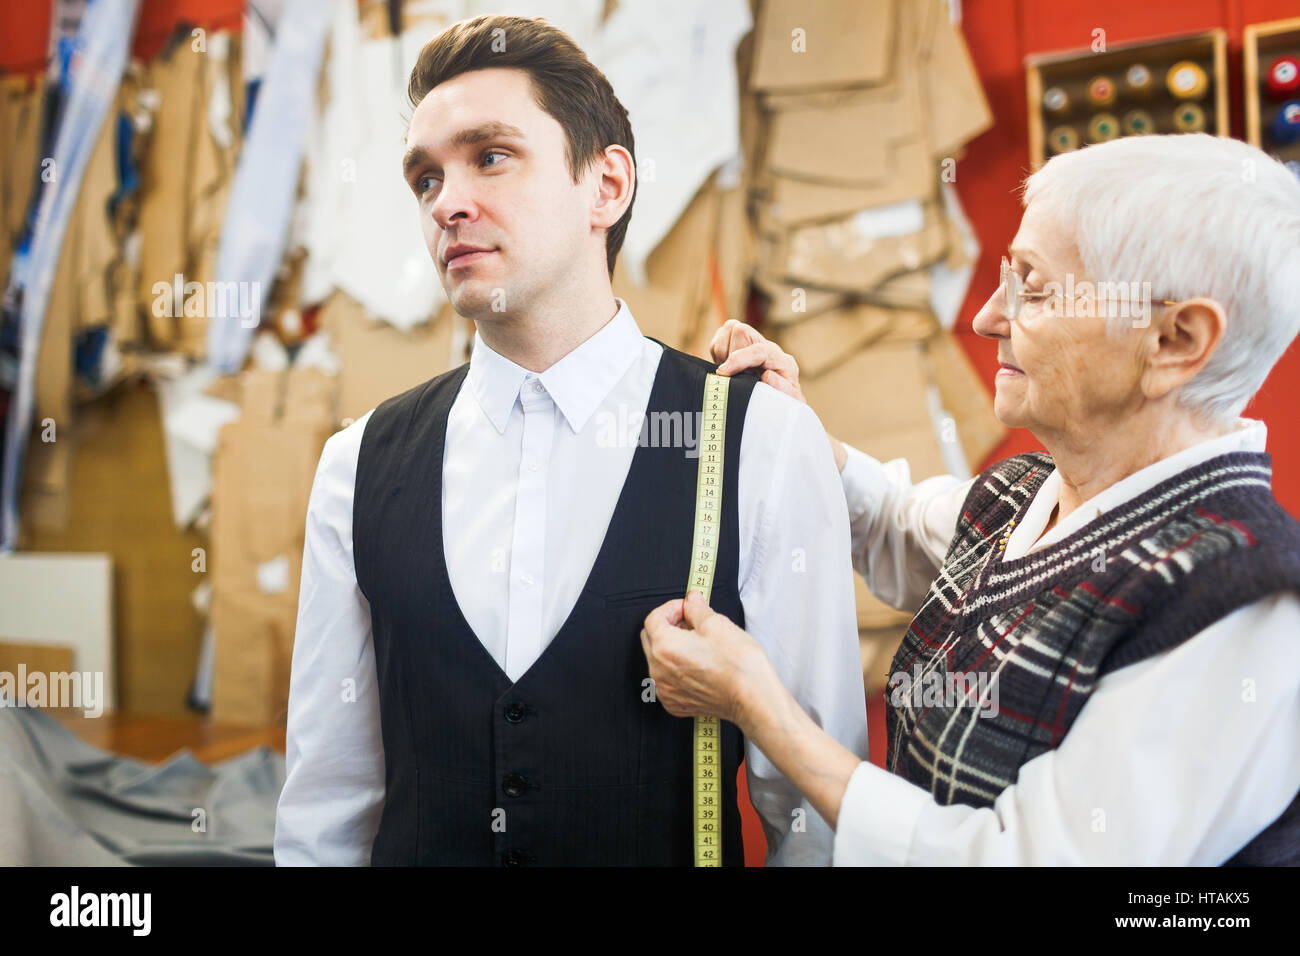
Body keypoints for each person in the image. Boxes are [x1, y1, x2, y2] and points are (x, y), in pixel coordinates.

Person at [274, 14, 867, 867]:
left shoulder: (761, 442)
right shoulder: (355, 466)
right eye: (424, 179)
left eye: (490, 156)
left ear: (607, 187)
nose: (448, 201)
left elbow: (812, 817)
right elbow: (326, 811)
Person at [642, 132, 1300, 865]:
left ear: (1177, 340)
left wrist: (758, 706)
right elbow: (896, 522)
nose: (988, 317)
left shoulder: (1242, 607)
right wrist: (795, 434)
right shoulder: (1032, 496)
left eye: (1034, 288)